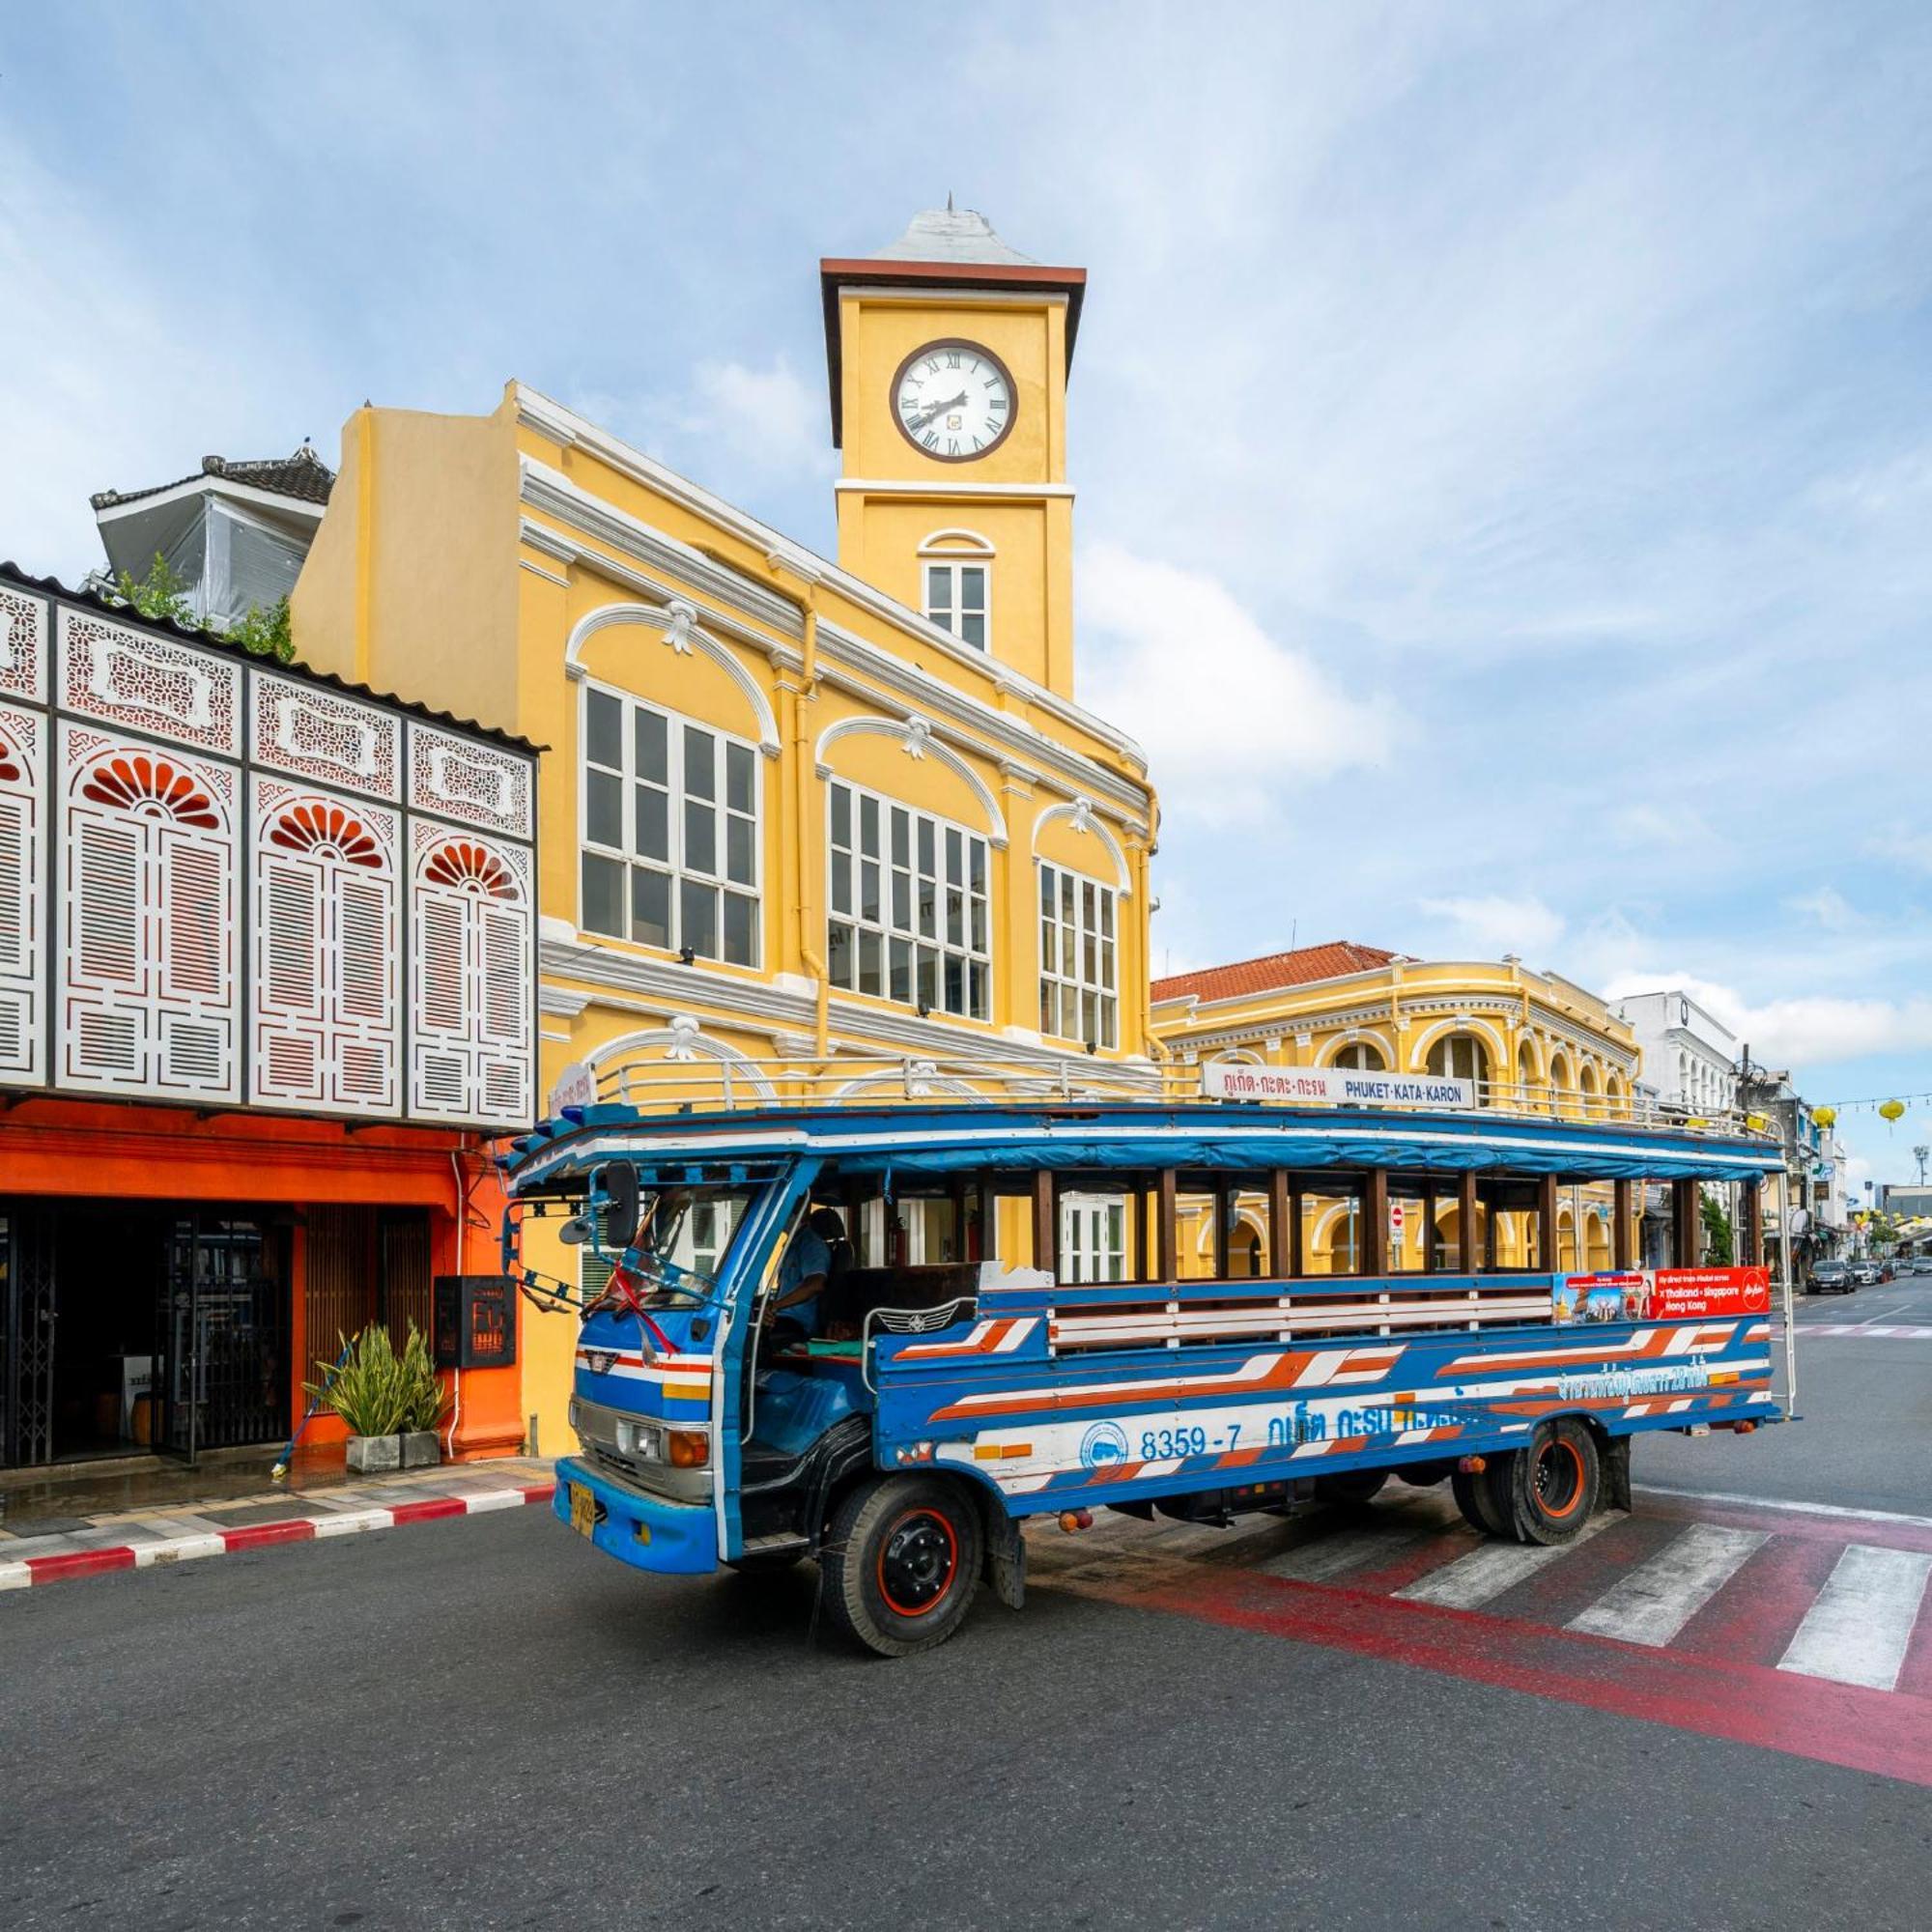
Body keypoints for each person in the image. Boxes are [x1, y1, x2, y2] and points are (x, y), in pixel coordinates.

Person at [769, 1205, 847, 1341]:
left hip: (798, 1324)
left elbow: (815, 1285)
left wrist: (775, 1306)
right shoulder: (793, 1244)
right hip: (782, 1316)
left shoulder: (812, 1245)